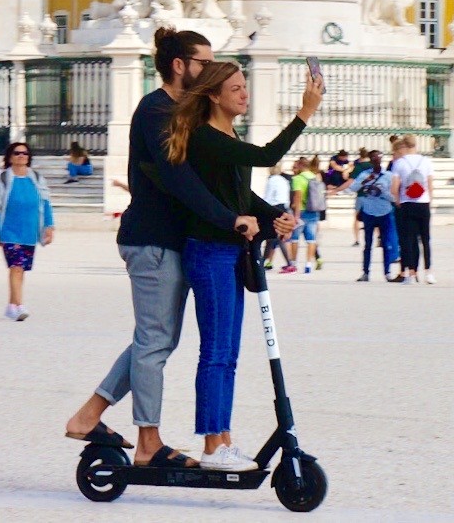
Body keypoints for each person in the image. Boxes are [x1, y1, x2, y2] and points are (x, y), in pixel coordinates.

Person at [65, 28, 281, 470]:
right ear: (180, 64)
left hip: (173, 240)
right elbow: (182, 180)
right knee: (155, 341)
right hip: (152, 240)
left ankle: (89, 415)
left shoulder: (183, 112)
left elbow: (219, 181)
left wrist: (263, 213)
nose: (210, 70)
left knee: (157, 339)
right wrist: (228, 220)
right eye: (204, 62)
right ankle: (148, 441)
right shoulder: (157, 109)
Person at [165, 60, 323, 470]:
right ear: (214, 95)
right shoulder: (205, 138)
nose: (244, 94)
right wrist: (304, 112)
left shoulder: (225, 134)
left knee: (228, 353)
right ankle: (213, 446)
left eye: (244, 87)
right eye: (235, 88)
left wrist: (275, 215)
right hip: (210, 252)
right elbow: (268, 155)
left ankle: (223, 438)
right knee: (217, 351)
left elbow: (240, 196)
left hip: (229, 252)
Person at [0, 142, 54, 321]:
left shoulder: (37, 178)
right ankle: (19, 305)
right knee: (16, 268)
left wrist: (49, 226)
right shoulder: (3, 179)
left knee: (21, 269)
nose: (21, 156)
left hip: (30, 231)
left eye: (24, 153)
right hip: (9, 231)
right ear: (10, 157)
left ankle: (11, 306)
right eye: (17, 153)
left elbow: (46, 203)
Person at [330, 150, 398, 282]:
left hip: (385, 211)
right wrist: (365, 182)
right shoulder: (364, 174)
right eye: (374, 159)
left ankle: (387, 271)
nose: (376, 161)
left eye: (378, 159)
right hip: (369, 211)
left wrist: (381, 192)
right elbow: (352, 189)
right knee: (368, 244)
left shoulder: (389, 176)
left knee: (386, 243)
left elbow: (394, 197)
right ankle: (365, 272)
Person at [391, 135, 434, 284]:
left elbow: (394, 187)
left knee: (408, 239)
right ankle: (428, 272)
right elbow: (429, 184)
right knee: (426, 239)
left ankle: (409, 272)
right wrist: (430, 200)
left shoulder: (399, 163)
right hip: (423, 202)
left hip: (407, 202)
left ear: (404, 145)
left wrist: (398, 201)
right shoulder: (426, 161)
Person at [290, 157, 323, 274]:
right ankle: (308, 264)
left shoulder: (297, 179)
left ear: (299, 165)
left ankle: (293, 263)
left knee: (294, 238)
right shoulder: (315, 177)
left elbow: (298, 197)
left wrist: (296, 215)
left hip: (302, 211)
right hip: (314, 210)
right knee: (311, 239)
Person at [263, 162, 291, 270]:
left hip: (275, 208)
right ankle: (263, 261)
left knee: (274, 237)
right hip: (284, 207)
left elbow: (268, 197)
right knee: (276, 237)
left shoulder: (272, 180)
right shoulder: (284, 180)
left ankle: (289, 262)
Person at [350, 147, 372, 246]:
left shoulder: (357, 166)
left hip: (360, 194)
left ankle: (357, 239)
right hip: (371, 195)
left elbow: (350, 179)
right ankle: (377, 238)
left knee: (356, 217)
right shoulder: (372, 165)